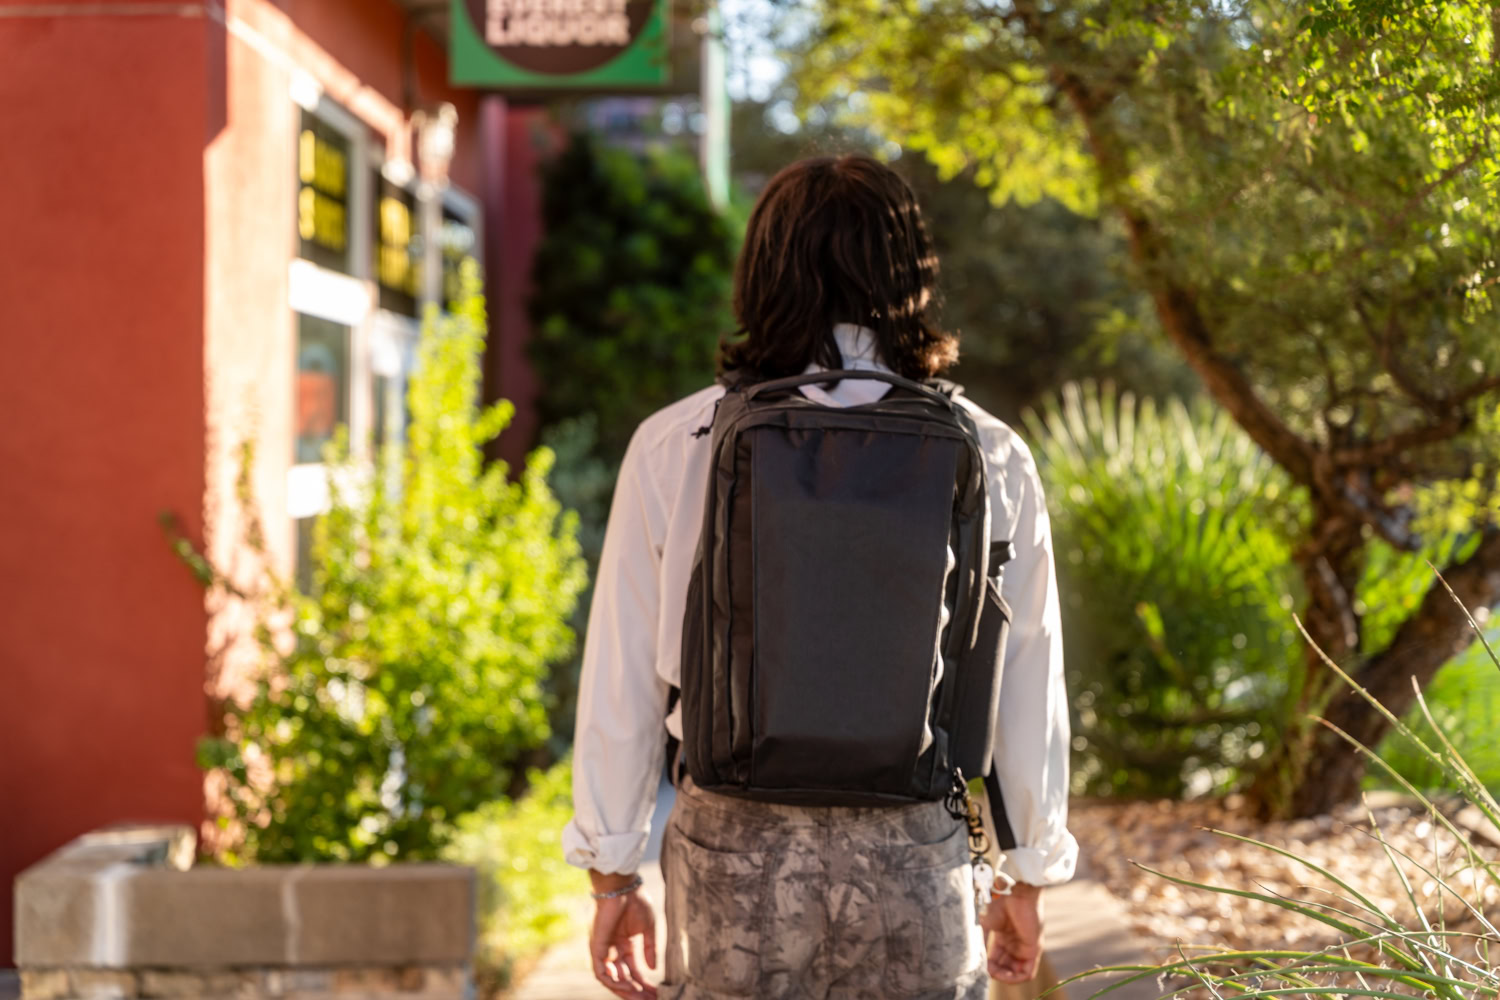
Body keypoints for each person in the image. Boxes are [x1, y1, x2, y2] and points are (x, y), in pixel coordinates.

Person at [563, 154, 1078, 1000]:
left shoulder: (675, 443)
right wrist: (1026, 875)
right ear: (911, 276)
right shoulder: (989, 450)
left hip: (732, 847)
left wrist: (612, 875)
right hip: (915, 845)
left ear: (760, 271)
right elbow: (1027, 675)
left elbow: (621, 677)